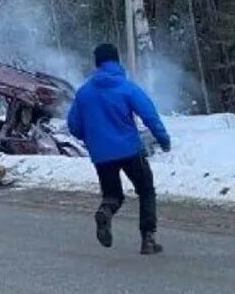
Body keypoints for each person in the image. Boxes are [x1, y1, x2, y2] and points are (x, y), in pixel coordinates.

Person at [67, 43, 171, 255]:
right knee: (145, 189)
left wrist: (92, 138)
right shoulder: (126, 87)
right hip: (130, 150)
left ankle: (106, 211)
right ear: (117, 60)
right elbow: (149, 115)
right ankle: (148, 240)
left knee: (113, 195)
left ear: (97, 63)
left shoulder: (84, 92)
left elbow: (74, 126)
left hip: (101, 155)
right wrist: (163, 139)